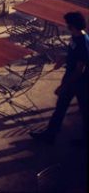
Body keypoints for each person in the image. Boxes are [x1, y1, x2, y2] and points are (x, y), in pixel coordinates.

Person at [31, 11, 88, 145]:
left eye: (68, 25)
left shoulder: (83, 44)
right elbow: (71, 54)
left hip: (79, 82)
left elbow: (80, 70)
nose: (66, 27)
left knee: (83, 111)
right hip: (73, 78)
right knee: (61, 108)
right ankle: (50, 135)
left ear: (72, 26)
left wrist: (64, 85)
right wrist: (63, 60)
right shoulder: (75, 36)